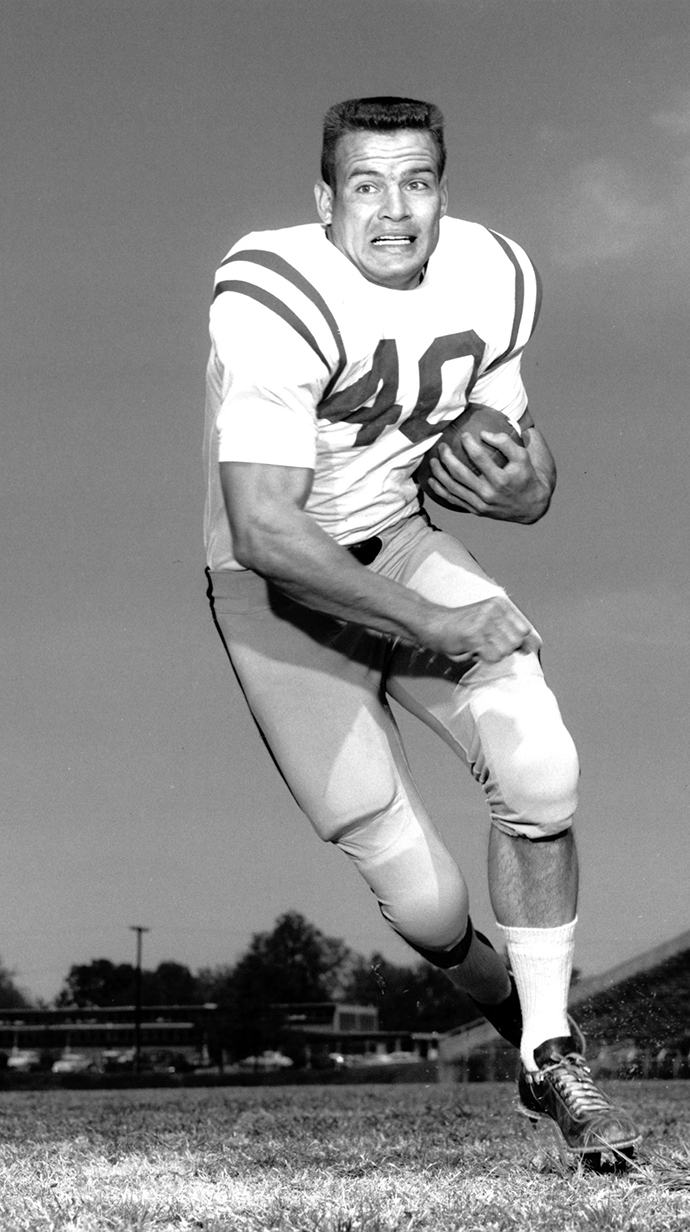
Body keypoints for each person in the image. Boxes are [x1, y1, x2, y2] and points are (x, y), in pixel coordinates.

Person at [203, 96, 639, 1159]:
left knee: (542, 767)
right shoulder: (274, 289)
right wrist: (440, 620)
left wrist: (531, 484)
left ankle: (549, 1051)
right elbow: (266, 527)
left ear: (444, 186)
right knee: (429, 905)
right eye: (367, 184)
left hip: (397, 537)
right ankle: (502, 998)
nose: (395, 210)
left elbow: (516, 468)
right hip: (278, 592)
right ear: (325, 199)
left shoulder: (492, 271)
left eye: (418, 182)